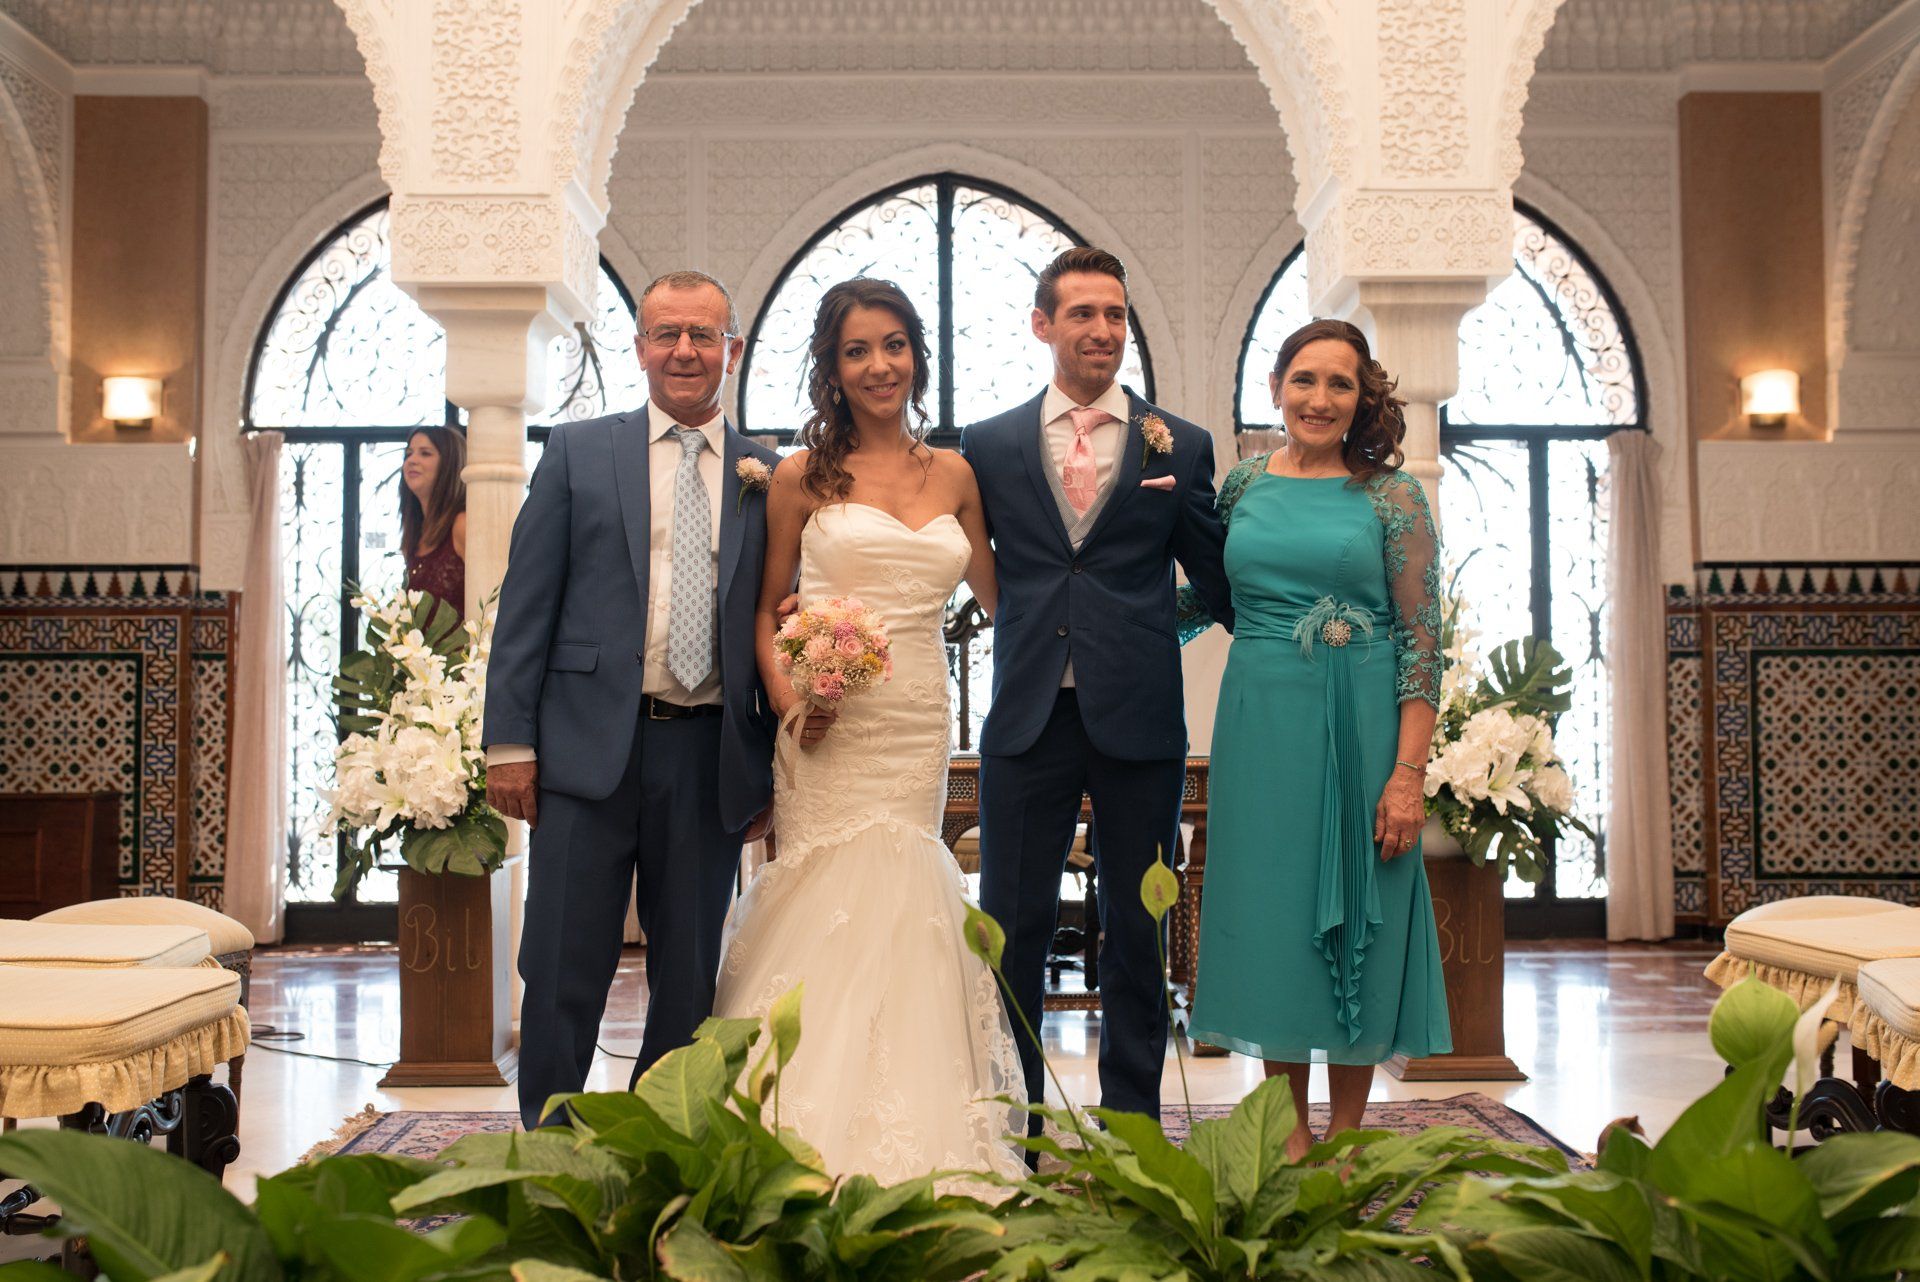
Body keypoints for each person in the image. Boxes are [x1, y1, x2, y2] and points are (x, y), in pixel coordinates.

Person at [712, 277, 1026, 1185]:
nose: (879, 365)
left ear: (916, 355)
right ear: (833, 368)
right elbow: (768, 608)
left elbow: (1007, 597)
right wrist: (794, 699)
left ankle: (915, 1135)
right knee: (828, 894)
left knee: (909, 895)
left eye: (894, 346)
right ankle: (793, 1128)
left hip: (915, 715)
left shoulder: (956, 475)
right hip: (827, 724)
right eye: (857, 351)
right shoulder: (799, 478)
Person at [483, 270, 783, 1131]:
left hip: (709, 754)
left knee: (687, 972)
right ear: (641, 347)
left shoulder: (773, 474)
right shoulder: (579, 452)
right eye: (666, 334)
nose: (684, 351)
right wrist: (509, 743)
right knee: (561, 960)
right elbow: (527, 604)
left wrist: (773, 765)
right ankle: (551, 1138)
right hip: (584, 750)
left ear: (732, 350)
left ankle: (660, 1141)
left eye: (703, 335)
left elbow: (779, 614)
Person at [959, 247, 1234, 1132]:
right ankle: (1017, 1129)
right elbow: (956, 552)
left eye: (1115, 314)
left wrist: (1166, 628)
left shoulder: (1180, 444)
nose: (1103, 330)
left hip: (1140, 720)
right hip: (1027, 718)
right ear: (1044, 325)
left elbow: (1219, 579)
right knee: (1011, 926)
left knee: (1138, 931)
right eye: (1083, 313)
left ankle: (1132, 1127)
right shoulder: (988, 445)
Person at [1180, 317, 1450, 1160]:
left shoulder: (1392, 497)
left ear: (1362, 398)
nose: (1320, 399)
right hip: (1260, 723)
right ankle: (1291, 1130)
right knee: (1274, 916)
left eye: (1340, 383)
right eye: (1305, 379)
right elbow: (1206, 600)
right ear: (1276, 388)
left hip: (1361, 721)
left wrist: (1407, 775)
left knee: (1363, 910)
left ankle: (1350, 1133)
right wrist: (1103, 611)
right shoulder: (1242, 485)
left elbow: (1423, 643)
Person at [399, 426, 467, 614]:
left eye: (425, 453)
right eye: (409, 454)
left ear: (450, 464)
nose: (412, 460)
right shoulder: (415, 533)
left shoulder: (462, 524)